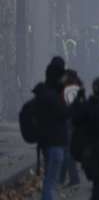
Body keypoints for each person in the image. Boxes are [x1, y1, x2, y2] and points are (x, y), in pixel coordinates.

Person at [33, 57, 70, 200]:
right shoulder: (54, 96)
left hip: (46, 143)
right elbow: (66, 114)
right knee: (51, 183)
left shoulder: (43, 92)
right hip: (55, 143)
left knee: (50, 179)